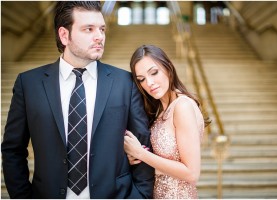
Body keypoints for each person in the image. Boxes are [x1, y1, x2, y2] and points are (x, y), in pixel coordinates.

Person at [1, 2, 154, 199]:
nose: (99, 36)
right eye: (88, 29)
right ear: (64, 35)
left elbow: (143, 144)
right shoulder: (29, 84)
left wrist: (140, 196)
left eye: (101, 29)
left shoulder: (125, 82)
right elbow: (13, 149)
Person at [124, 45, 209, 199]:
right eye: (141, 79)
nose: (149, 83)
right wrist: (135, 159)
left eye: (154, 73)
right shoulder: (162, 111)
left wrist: (141, 153)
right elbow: (161, 163)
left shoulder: (182, 106)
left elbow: (191, 173)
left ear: (168, 68)